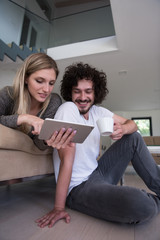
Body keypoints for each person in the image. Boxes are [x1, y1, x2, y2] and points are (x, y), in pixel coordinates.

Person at [36, 62, 160, 228]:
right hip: (79, 187)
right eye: (77, 91)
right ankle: (148, 202)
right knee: (140, 204)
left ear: (96, 93)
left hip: (99, 172)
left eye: (88, 91)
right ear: (70, 92)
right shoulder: (68, 109)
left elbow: (133, 125)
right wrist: (59, 207)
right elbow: (66, 159)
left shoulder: (99, 112)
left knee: (133, 137)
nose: (82, 97)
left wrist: (123, 128)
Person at [0, 52, 76, 154]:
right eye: (40, 81)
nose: (46, 89)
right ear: (26, 78)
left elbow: (38, 143)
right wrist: (24, 118)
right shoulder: (8, 94)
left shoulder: (53, 101)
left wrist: (46, 139)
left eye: (51, 83)